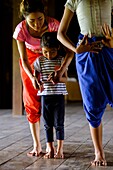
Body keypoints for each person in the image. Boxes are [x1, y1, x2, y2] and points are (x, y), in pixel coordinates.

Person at [48, 0, 113, 166]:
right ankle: (98, 152)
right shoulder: (74, 0)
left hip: (110, 50)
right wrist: (76, 49)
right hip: (86, 53)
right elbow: (60, 34)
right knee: (92, 104)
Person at [13, 0, 60, 157]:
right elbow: (24, 59)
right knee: (31, 100)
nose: (37, 24)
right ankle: (37, 145)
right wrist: (32, 76)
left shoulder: (54, 25)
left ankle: (52, 144)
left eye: (40, 19)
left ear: (44, 13)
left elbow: (64, 50)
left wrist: (59, 69)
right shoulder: (21, 30)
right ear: (25, 18)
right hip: (30, 62)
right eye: (32, 20)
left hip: (51, 59)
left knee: (51, 100)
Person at [33, 32, 68, 159]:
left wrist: (58, 78)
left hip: (58, 95)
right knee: (47, 124)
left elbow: (65, 79)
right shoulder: (39, 61)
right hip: (45, 96)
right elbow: (35, 77)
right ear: (41, 49)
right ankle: (50, 148)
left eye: (52, 51)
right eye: (45, 52)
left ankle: (60, 149)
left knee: (59, 123)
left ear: (58, 48)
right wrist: (36, 81)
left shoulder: (61, 60)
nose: (48, 55)